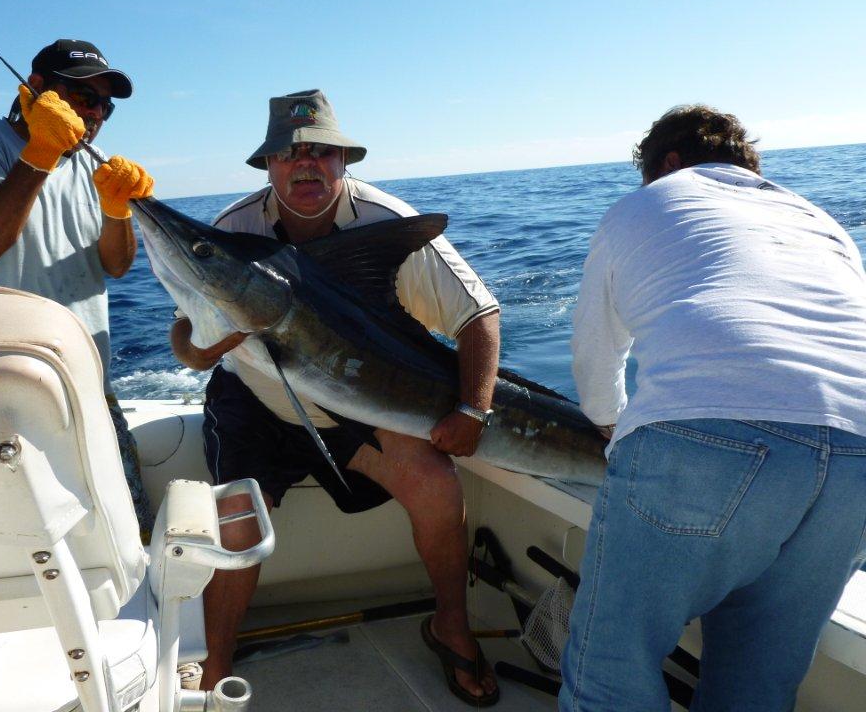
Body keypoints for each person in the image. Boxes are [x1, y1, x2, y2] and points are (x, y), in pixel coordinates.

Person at [170, 90, 502, 705]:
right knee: (238, 524)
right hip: (255, 399)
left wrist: (473, 410)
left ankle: (450, 624)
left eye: (322, 151)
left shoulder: (385, 222)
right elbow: (187, 345)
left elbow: (477, 314)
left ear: (344, 161)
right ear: (268, 166)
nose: (306, 164)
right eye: (288, 153)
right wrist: (218, 345)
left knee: (436, 483)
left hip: (350, 400)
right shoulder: (231, 231)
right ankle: (215, 667)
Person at [564, 104, 866, 710]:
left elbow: (596, 354)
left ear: (668, 163)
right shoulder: (817, 218)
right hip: (858, 451)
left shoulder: (647, 203)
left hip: (711, 432)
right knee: (758, 683)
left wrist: (609, 423)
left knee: (611, 670)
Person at [0, 39, 154, 531]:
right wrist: (40, 152)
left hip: (86, 382)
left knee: (126, 527)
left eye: (103, 105)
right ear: (37, 89)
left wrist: (118, 211)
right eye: (81, 95)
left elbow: (115, 265)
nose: (94, 112)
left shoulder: (95, 165)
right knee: (11, 538)